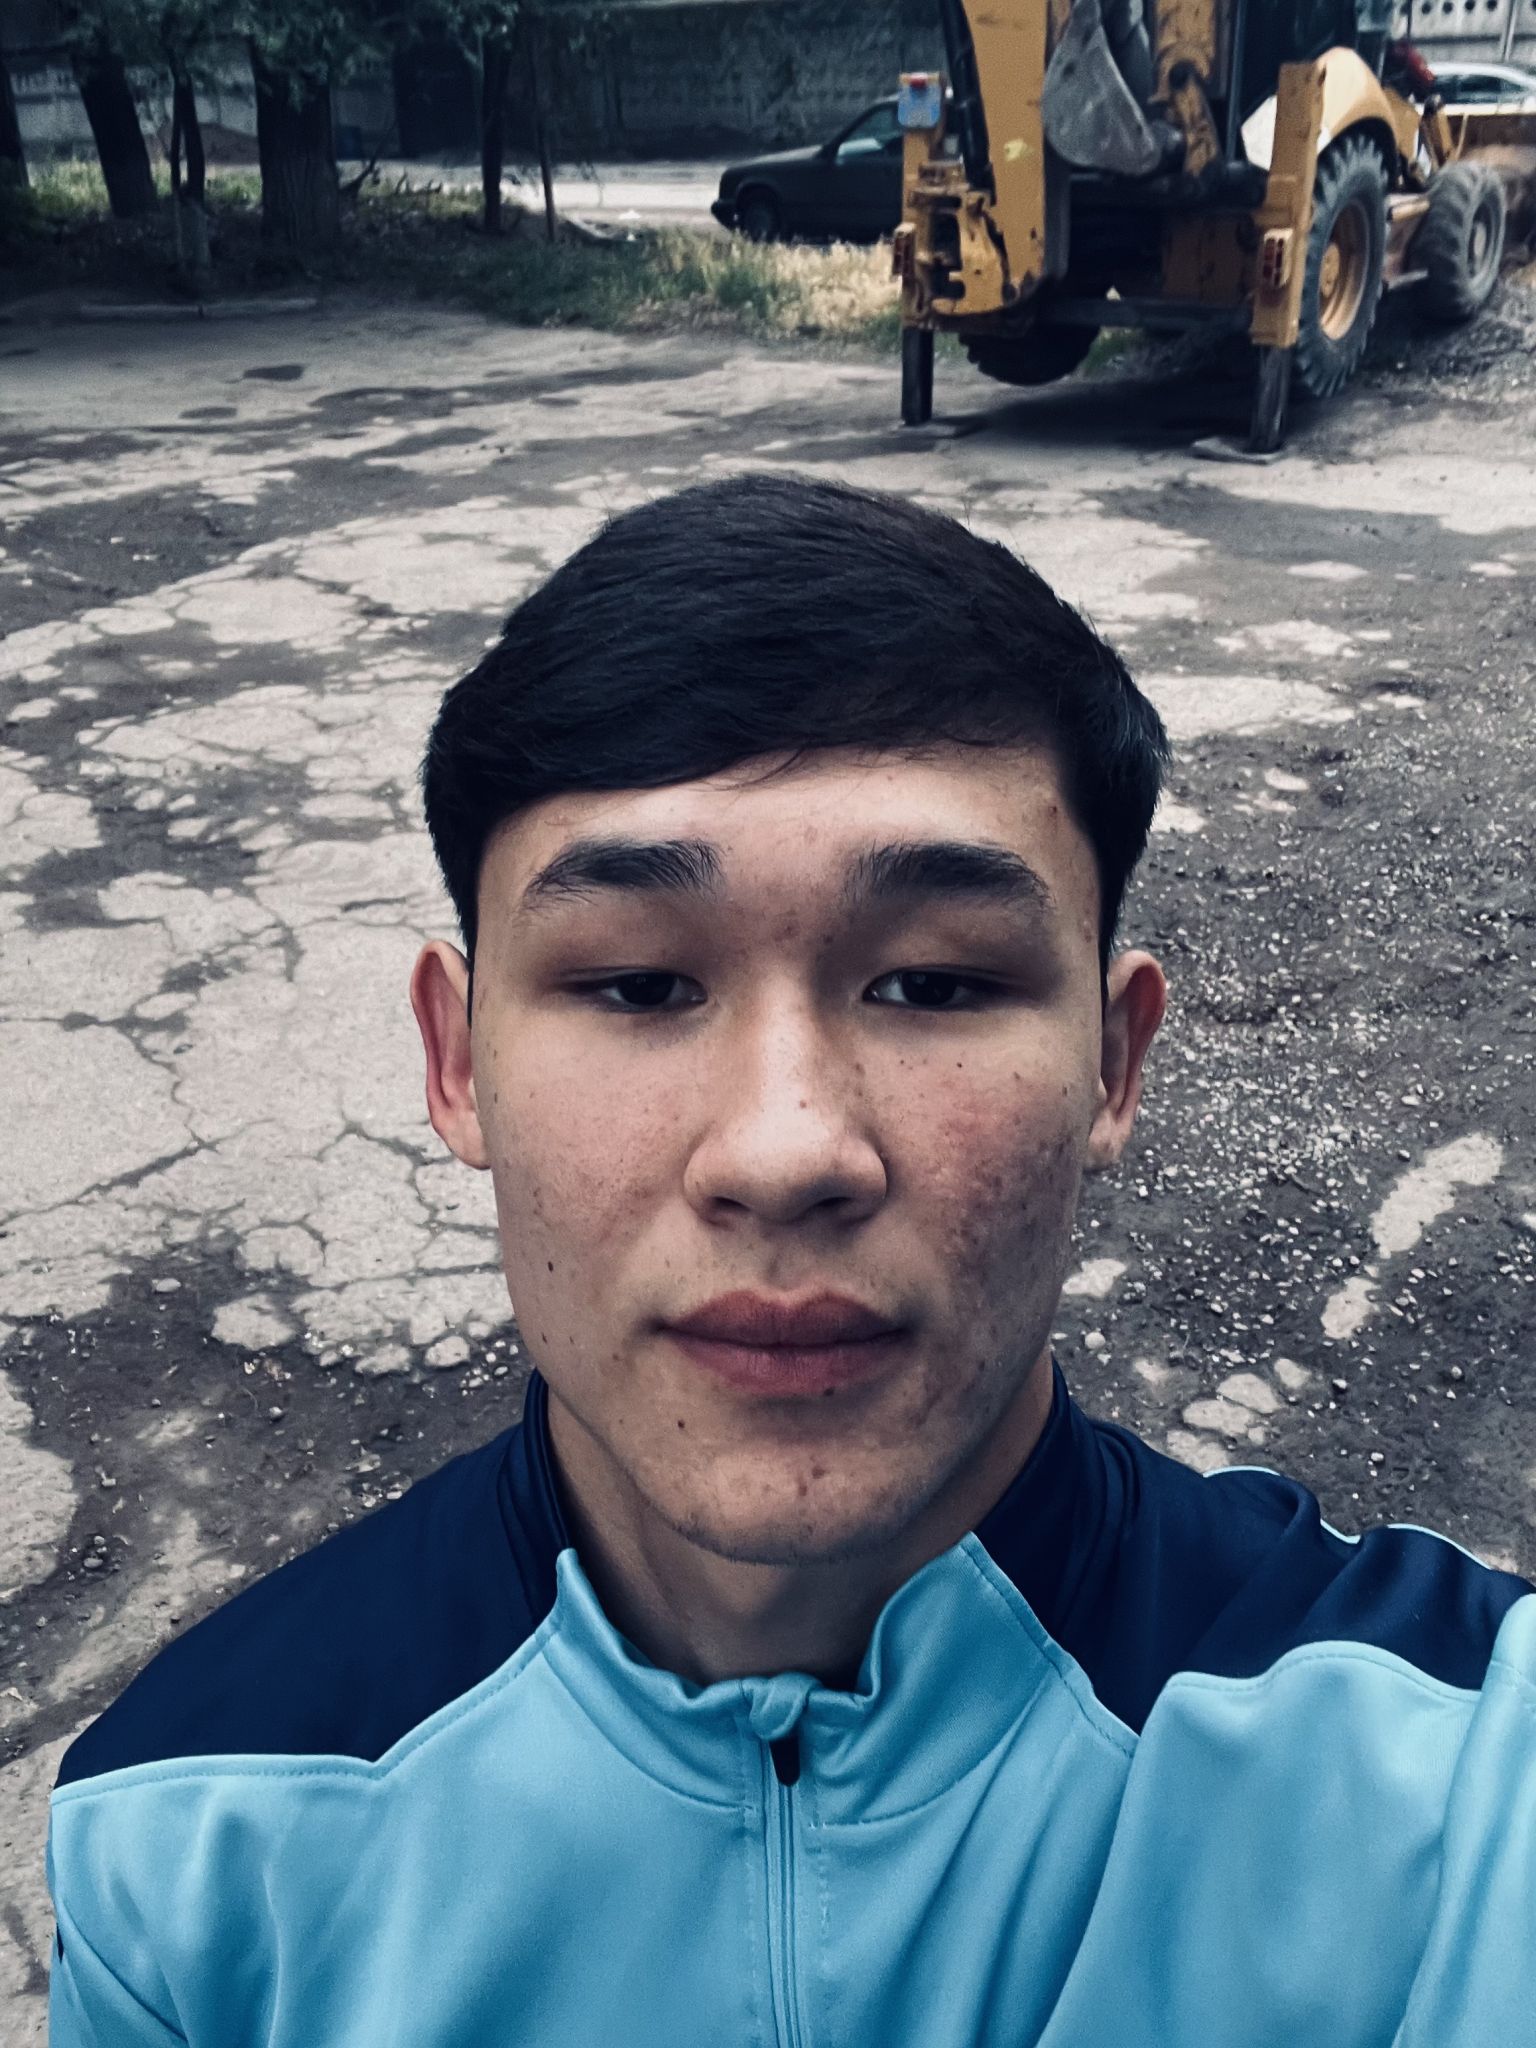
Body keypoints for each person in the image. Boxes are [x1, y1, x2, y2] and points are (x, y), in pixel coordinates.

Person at [47, 475, 1534, 2046]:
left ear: (1113, 1063)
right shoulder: (192, 1846)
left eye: (933, 986)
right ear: (457, 1061)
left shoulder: (1454, 1784)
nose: (784, 1150)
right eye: (637, 986)